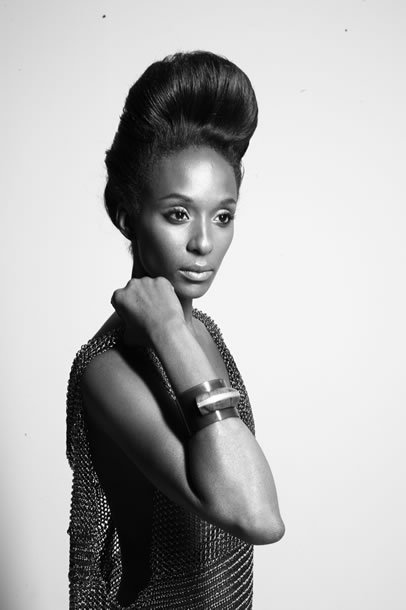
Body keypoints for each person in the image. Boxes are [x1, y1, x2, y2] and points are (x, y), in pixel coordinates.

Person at [66, 50, 285, 610]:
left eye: (223, 215)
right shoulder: (107, 370)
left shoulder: (204, 331)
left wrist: (178, 332)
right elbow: (257, 516)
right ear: (127, 216)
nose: (205, 243)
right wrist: (168, 331)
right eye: (178, 214)